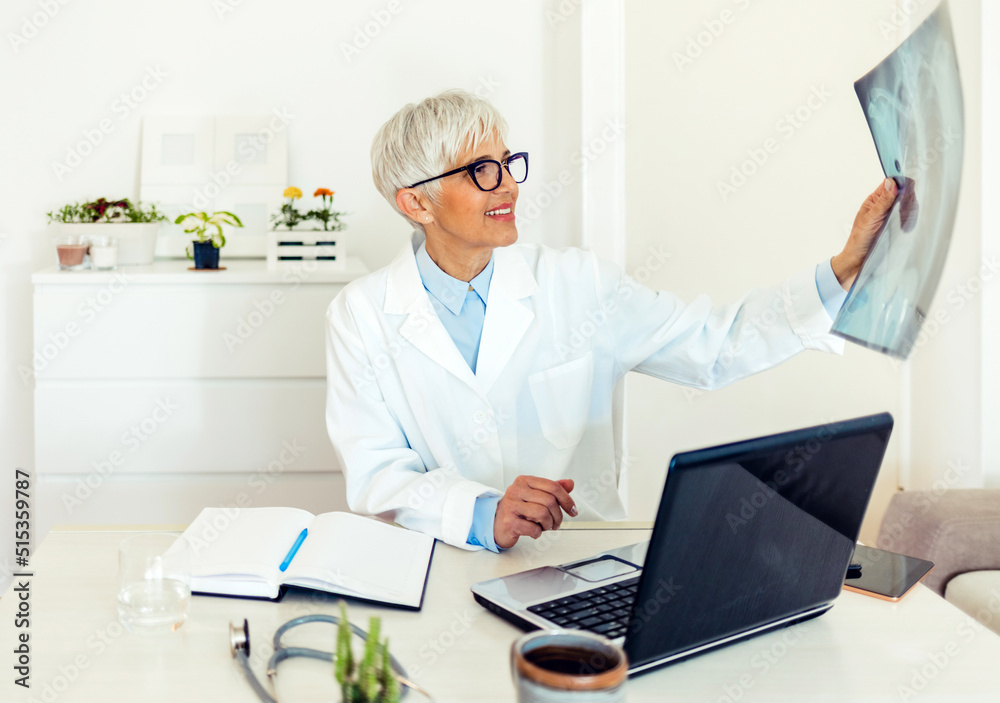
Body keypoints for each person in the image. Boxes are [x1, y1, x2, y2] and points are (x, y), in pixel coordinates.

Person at [325, 89, 897, 553]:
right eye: (480, 171)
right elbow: (375, 472)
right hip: (436, 559)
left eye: (506, 163)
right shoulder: (360, 315)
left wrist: (844, 269)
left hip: (576, 555)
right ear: (417, 204)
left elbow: (712, 346)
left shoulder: (579, 286)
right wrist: (479, 511)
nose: (508, 184)